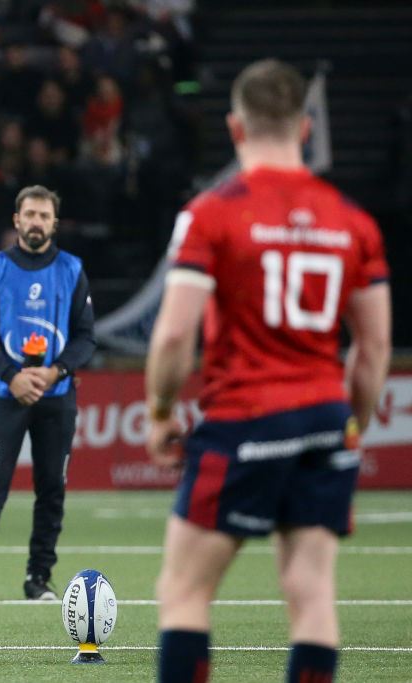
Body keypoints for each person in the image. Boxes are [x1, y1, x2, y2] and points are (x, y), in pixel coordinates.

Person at [145, 59, 391, 683]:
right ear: (305, 128)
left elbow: (175, 332)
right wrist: (351, 425)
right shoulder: (352, 220)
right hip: (323, 418)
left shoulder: (213, 212)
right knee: (311, 595)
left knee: (184, 592)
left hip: (245, 419)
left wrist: (159, 412)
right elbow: (375, 345)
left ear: (235, 128)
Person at [0, 185, 95, 601]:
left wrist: (54, 372)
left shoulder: (72, 269)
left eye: (44, 216)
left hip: (57, 396)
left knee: (52, 488)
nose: (36, 222)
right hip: (6, 395)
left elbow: (86, 337)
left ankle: (38, 578)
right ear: (17, 220)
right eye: (29, 214)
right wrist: (13, 376)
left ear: (54, 222)